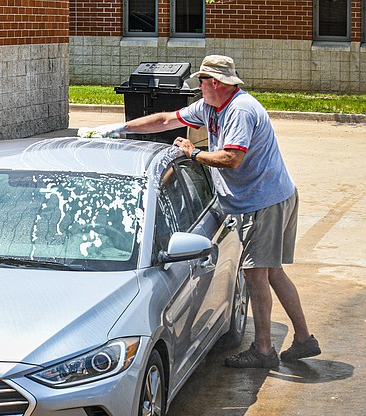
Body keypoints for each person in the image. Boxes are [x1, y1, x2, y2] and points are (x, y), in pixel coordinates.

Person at [87, 55, 320, 369]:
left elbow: (232, 158)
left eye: (201, 81)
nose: (197, 86)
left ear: (217, 84)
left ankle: (264, 351)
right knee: (272, 271)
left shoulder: (240, 110)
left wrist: (193, 153)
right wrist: (119, 128)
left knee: (255, 273)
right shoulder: (210, 107)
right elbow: (167, 119)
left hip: (265, 201)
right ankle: (304, 339)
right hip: (269, 196)